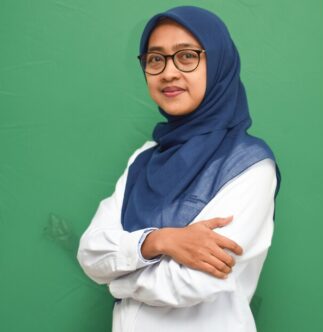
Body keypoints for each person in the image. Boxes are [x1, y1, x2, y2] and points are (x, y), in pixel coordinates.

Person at [76, 6, 278, 332]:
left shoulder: (250, 165)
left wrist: (117, 280)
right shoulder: (144, 159)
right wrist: (158, 242)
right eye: (156, 59)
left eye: (186, 56)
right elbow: (90, 254)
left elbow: (193, 283)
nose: (168, 72)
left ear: (218, 64)